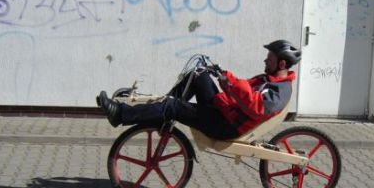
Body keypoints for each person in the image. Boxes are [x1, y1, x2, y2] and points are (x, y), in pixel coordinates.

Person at [97, 40, 301, 139]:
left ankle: (120, 114)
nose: (266, 59)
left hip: (226, 127)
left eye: (270, 58)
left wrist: (230, 84)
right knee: (199, 75)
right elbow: (244, 90)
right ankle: (162, 113)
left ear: (282, 64)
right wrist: (223, 76)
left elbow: (255, 106)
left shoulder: (279, 90)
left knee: (173, 106)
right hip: (225, 112)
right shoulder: (267, 79)